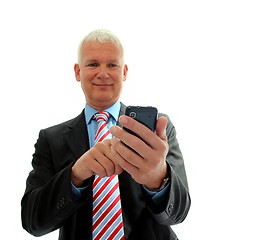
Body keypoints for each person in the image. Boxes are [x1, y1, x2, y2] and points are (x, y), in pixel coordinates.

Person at [21, 29, 191, 240]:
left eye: (112, 65)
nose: (103, 73)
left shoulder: (157, 132)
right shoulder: (51, 139)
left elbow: (178, 213)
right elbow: (32, 221)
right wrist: (75, 175)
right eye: (93, 64)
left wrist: (158, 179)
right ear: (77, 72)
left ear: (125, 72)